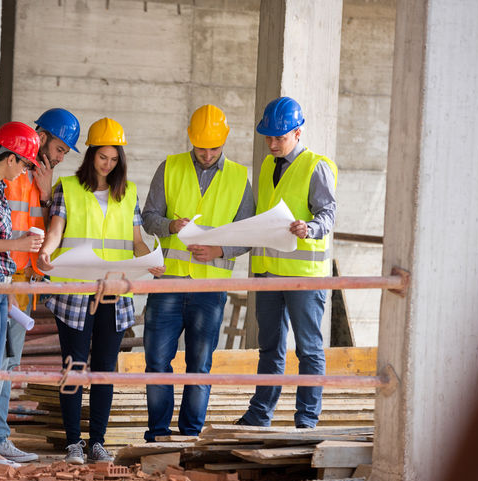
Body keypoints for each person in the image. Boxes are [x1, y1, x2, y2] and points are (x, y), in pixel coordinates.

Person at [38, 118, 165, 464]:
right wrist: (47, 251)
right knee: (74, 366)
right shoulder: (68, 187)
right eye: (102, 157)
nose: (107, 164)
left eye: (113, 159)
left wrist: (151, 259)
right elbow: (57, 228)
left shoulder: (129, 194)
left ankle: (97, 442)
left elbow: (137, 242)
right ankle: (73, 443)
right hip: (75, 293)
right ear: (91, 155)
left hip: (114, 292)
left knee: (106, 368)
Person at [141, 104, 255, 442]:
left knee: (199, 366)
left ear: (224, 143)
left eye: (213, 148)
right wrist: (169, 225)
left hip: (210, 286)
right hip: (168, 283)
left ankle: (190, 436)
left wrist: (220, 250)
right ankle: (158, 435)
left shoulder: (238, 177)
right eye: (201, 147)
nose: (206, 155)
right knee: (157, 363)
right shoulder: (170, 167)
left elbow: (247, 232)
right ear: (191, 140)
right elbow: (148, 217)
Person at [235, 96, 338, 429]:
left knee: (308, 350)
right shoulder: (267, 165)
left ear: (298, 132)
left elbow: (328, 214)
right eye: (269, 137)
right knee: (269, 348)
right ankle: (259, 414)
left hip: (304, 277)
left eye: (280, 137)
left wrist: (309, 228)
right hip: (268, 274)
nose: (273, 143)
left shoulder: (315, 166)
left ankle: (306, 421)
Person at [0, 108, 81, 463]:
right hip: (0, 280)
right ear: (41, 138)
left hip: (22, 285)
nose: (60, 157)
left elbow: (44, 234)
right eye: (59, 149)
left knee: (7, 366)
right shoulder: (9, 171)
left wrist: (46, 197)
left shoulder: (40, 181)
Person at [0, 121, 44, 467]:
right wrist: (18, 245)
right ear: (10, 158)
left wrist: (7, 291)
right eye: (23, 164)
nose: (24, 171)